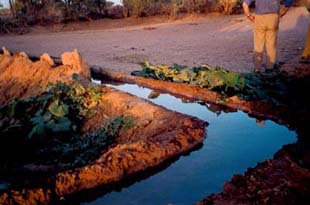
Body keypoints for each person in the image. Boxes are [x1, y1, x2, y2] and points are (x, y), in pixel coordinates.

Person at [242, 0, 293, 73]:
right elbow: (289, 1)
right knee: (271, 44)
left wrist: (249, 16)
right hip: (273, 17)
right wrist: (283, 12)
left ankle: (257, 68)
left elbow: (244, 4)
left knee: (258, 44)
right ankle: (270, 67)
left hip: (260, 17)